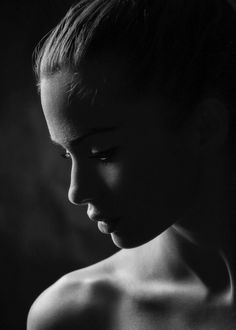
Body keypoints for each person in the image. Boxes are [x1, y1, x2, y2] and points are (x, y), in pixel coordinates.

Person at [27, 0, 236, 329]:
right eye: (67, 155)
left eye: (103, 152)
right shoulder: (76, 316)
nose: (76, 192)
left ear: (205, 127)